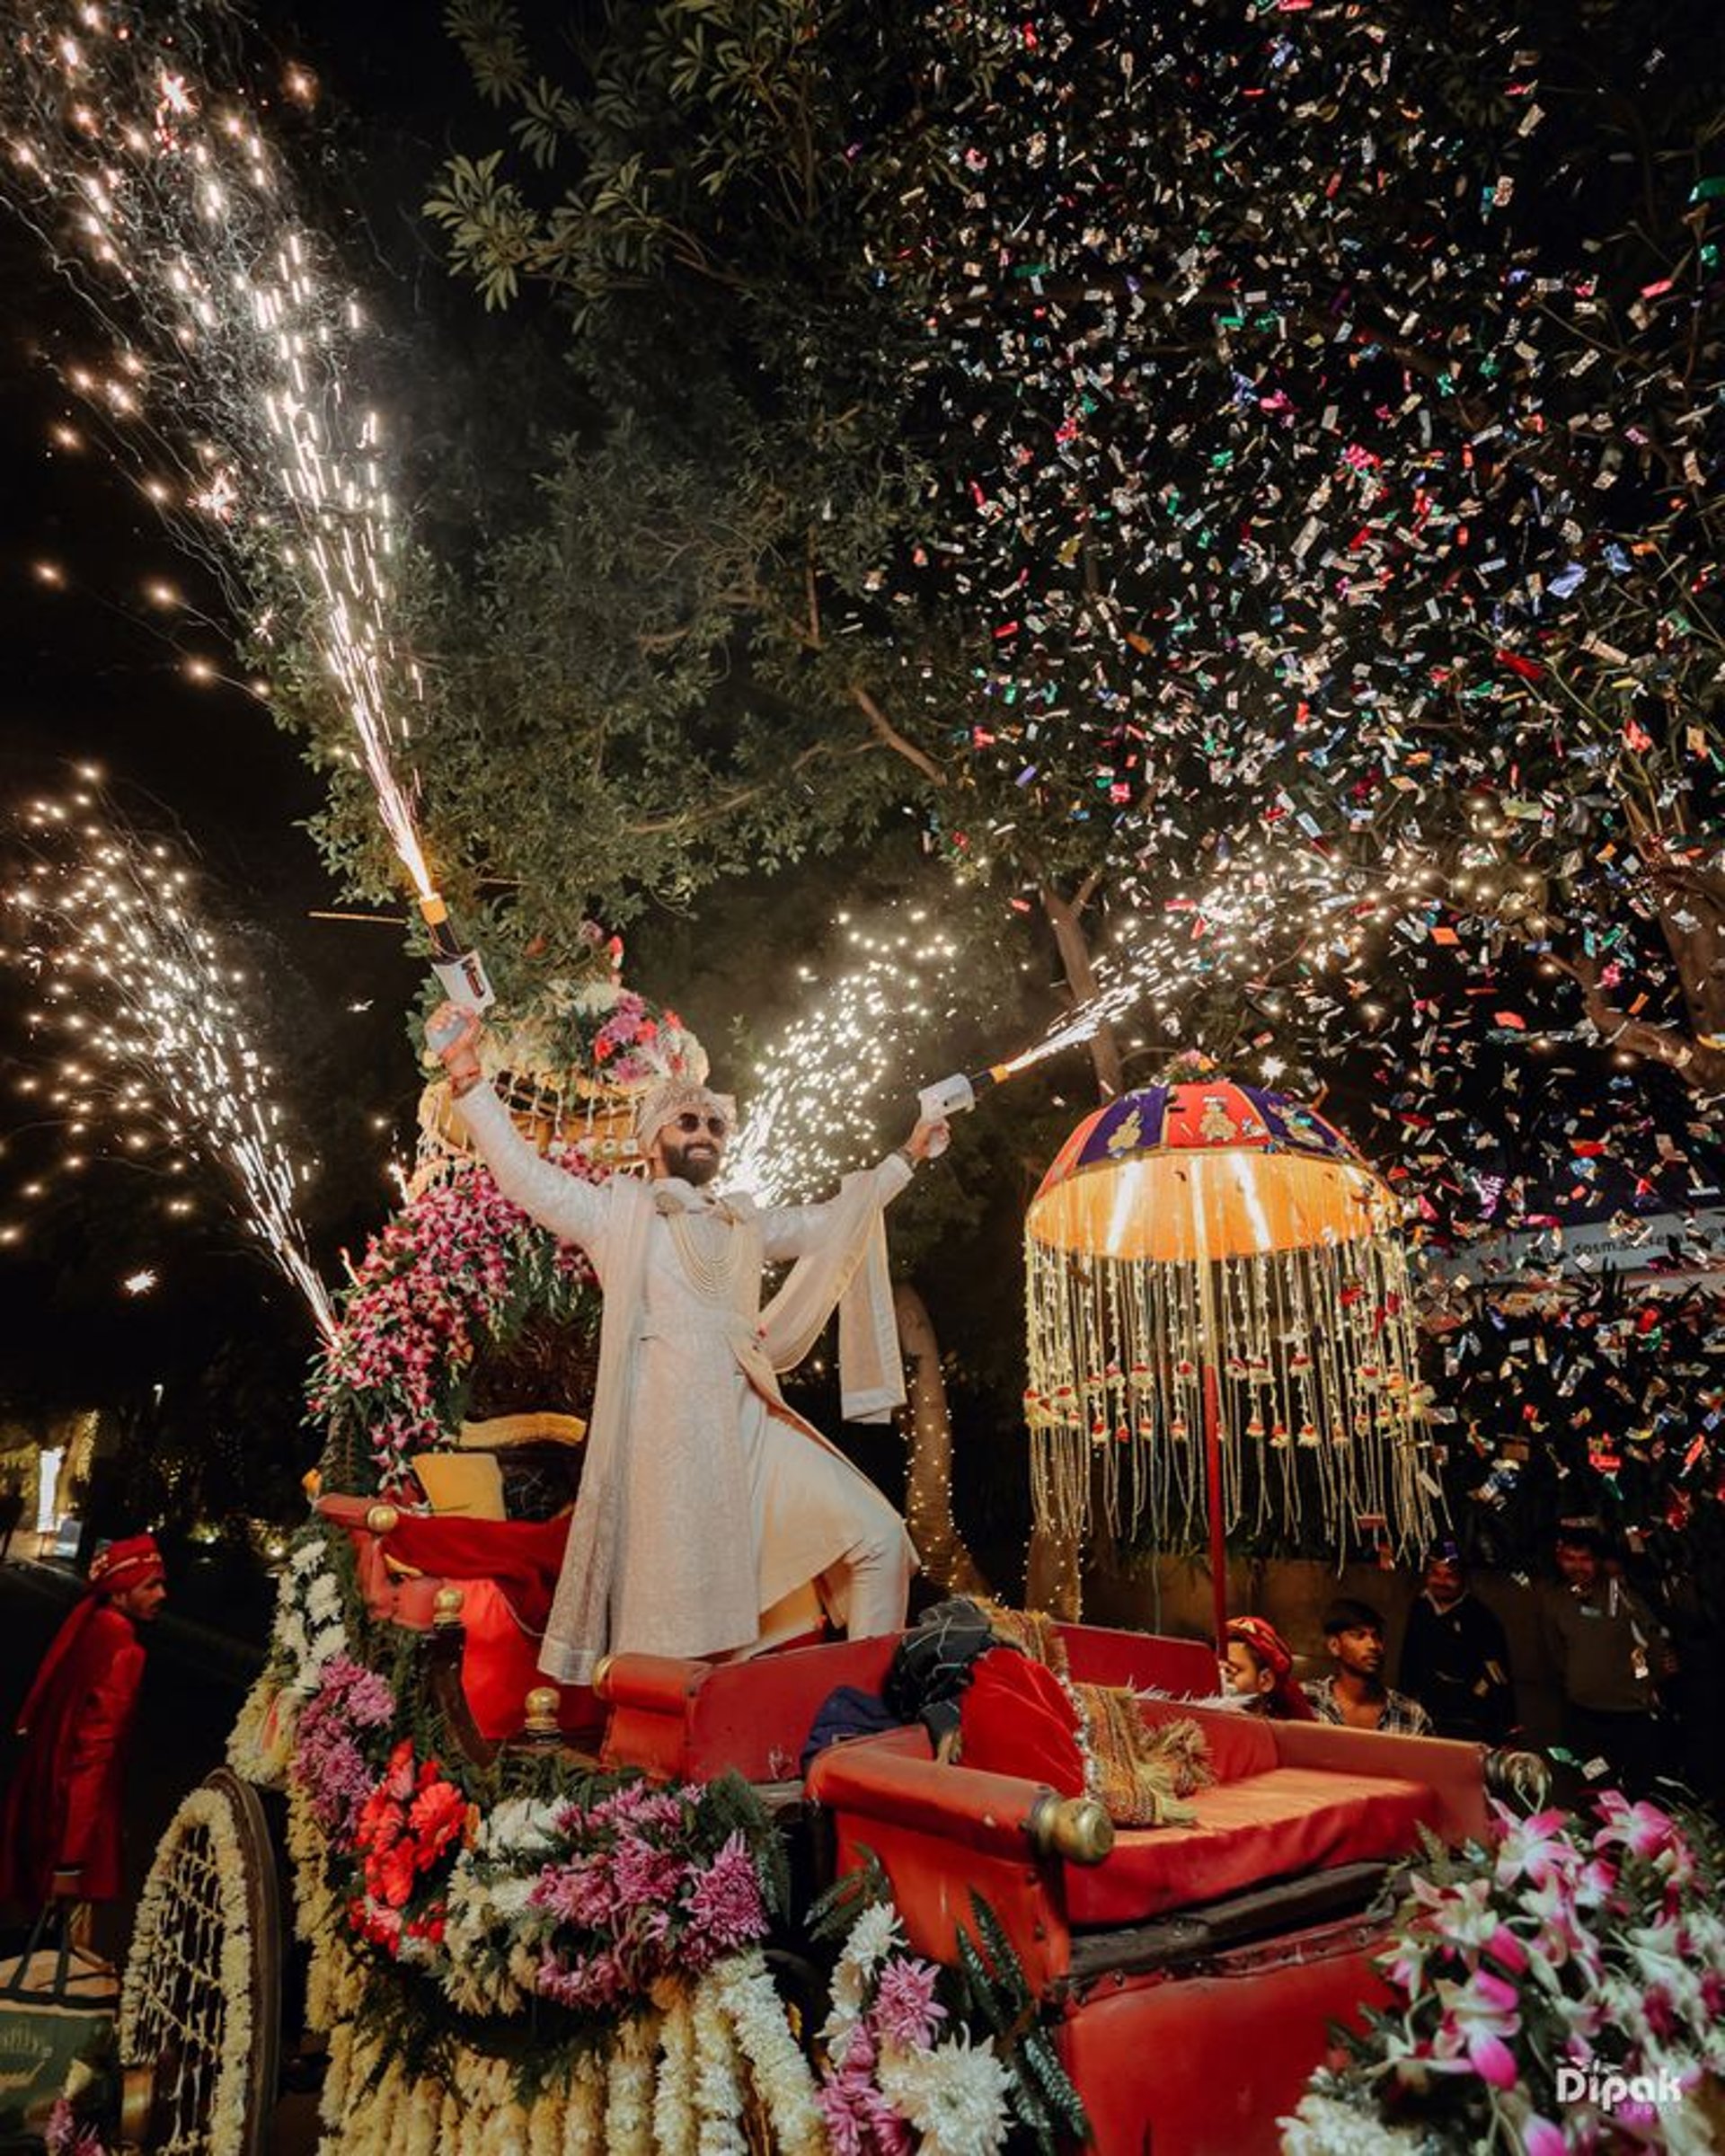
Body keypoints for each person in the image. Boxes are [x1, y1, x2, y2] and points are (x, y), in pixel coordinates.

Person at [431, 1004, 943, 1683]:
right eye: (688, 1121)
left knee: (878, 1537)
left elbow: (833, 1223)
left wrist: (907, 1156)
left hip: (750, 1420)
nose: (705, 1133)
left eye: (714, 1125)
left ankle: (860, 1710)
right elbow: (525, 1176)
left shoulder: (744, 1219)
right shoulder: (616, 1213)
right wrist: (466, 1073)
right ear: (651, 1141)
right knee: (684, 1639)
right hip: (667, 1434)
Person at [0, 1533, 168, 1914]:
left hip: (44, 1800)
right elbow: (94, 1759)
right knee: (62, 1954)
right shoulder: (125, 1652)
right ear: (120, 1591)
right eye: (150, 1585)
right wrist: (70, 1862)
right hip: (72, 1820)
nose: (162, 1595)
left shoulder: (92, 1627)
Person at [1539, 1520, 1674, 1796]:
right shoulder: (1555, 1600)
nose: (1577, 1566)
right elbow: (1557, 1654)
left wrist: (1642, 1681)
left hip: (1630, 1716)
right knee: (1592, 1782)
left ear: (1598, 1560)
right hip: (1584, 1718)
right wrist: (1579, 1680)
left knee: (1637, 1789)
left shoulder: (1620, 1594)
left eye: (1585, 1559)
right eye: (1569, 1559)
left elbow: (1648, 1646)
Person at [1398, 1542, 1516, 1743]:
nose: (1441, 1582)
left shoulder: (1480, 1618)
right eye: (1435, 1574)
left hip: (1467, 1718)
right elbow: (1408, 1661)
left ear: (1463, 1579)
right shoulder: (1420, 1607)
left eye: (1450, 1576)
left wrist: (1476, 1702)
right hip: (1424, 1713)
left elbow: (1496, 1675)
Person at [1303, 1598, 1433, 1734]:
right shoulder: (1307, 1700)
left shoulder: (1412, 1715)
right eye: (1359, 1636)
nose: (1373, 1645)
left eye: (1377, 1637)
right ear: (1334, 1646)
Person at [1220, 1615, 1316, 1720]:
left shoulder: (1286, 1734)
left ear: (1266, 1680)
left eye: (1229, 1671)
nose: (1220, 1679)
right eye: (1214, 1669)